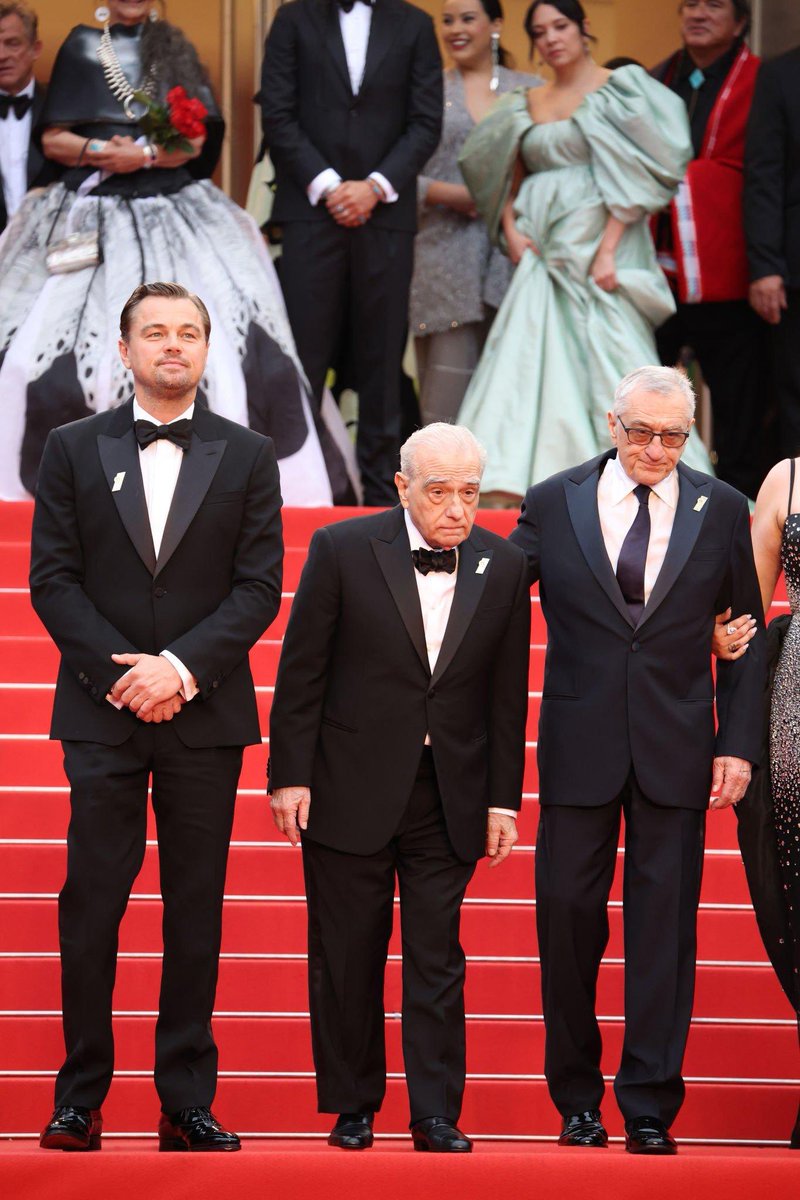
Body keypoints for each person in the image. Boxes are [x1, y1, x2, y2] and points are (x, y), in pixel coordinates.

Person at [31, 281, 283, 1153]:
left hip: (203, 715)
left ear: (207, 350)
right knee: (92, 905)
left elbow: (258, 587)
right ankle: (79, 1098)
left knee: (195, 910)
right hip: (102, 717)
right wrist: (123, 677)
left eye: (188, 333)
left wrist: (179, 670)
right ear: (126, 349)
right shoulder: (69, 448)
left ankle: (186, 1101)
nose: (173, 345)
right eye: (156, 333)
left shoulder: (250, 454)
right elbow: (52, 579)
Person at [509, 366, 765, 1154]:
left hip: (677, 750)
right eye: (642, 431)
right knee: (568, 927)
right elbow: (496, 599)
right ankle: (577, 1102)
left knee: (664, 935)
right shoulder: (553, 499)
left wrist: (736, 745)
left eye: (674, 436)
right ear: (611, 423)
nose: (657, 449)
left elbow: (746, 631)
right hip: (579, 749)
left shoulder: (720, 507)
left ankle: (650, 1105)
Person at [268, 423, 530, 1152]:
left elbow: (508, 697)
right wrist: (288, 776)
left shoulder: (504, 567)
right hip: (347, 783)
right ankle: (354, 1107)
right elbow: (303, 671)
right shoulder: (343, 549)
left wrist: (502, 799)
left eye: (470, 492)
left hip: (451, 790)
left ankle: (435, 1112)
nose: (456, 508)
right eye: (440, 491)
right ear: (402, 486)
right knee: (347, 952)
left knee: (438, 956)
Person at [0, 0, 352, 505]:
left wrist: (144, 154)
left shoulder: (176, 46)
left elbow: (197, 140)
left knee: (240, 356)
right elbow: (54, 137)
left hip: (177, 211)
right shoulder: (81, 43)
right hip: (89, 212)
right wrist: (103, 154)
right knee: (37, 358)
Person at [456, 1, 705, 507]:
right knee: (526, 356)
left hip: (598, 248)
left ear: (584, 28)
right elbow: (505, 169)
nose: (551, 38)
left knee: (610, 351)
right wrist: (511, 229)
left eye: (561, 26)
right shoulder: (525, 102)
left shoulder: (620, 92)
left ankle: (646, 473)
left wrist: (610, 248)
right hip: (542, 253)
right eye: (540, 31)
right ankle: (522, 480)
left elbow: (643, 170)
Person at [259, 0, 443, 506]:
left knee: (383, 362)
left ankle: (384, 502)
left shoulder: (415, 24)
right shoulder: (294, 19)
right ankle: (294, 494)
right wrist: (329, 185)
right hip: (309, 211)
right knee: (304, 359)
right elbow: (276, 111)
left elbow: (426, 121)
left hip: (385, 215)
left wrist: (376, 187)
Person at [711, 455, 800, 1150]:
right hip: (795, 710)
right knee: (795, 896)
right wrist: (719, 636)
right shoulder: (787, 479)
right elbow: (745, 607)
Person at [409, 0, 540, 425]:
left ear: (496, 24)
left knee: (516, 398)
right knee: (445, 404)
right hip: (444, 258)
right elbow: (394, 174)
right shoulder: (426, 90)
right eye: (447, 21)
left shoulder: (530, 89)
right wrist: (454, 194)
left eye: (468, 18)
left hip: (518, 256)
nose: (455, 29)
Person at [653, 0, 764, 499]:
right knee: (651, 394)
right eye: (690, 4)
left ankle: (740, 513)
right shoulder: (659, 78)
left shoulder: (762, 83)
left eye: (714, 4)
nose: (698, 13)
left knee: (740, 403)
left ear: (741, 20)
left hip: (730, 270)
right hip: (660, 271)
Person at [744, 45, 800, 463]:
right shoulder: (780, 74)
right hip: (794, 266)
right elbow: (764, 175)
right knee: (796, 391)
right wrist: (764, 266)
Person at [0, 3, 56, 232]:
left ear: (35, 49)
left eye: (12, 44)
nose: (1, 55)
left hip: (52, 252)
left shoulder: (62, 108)